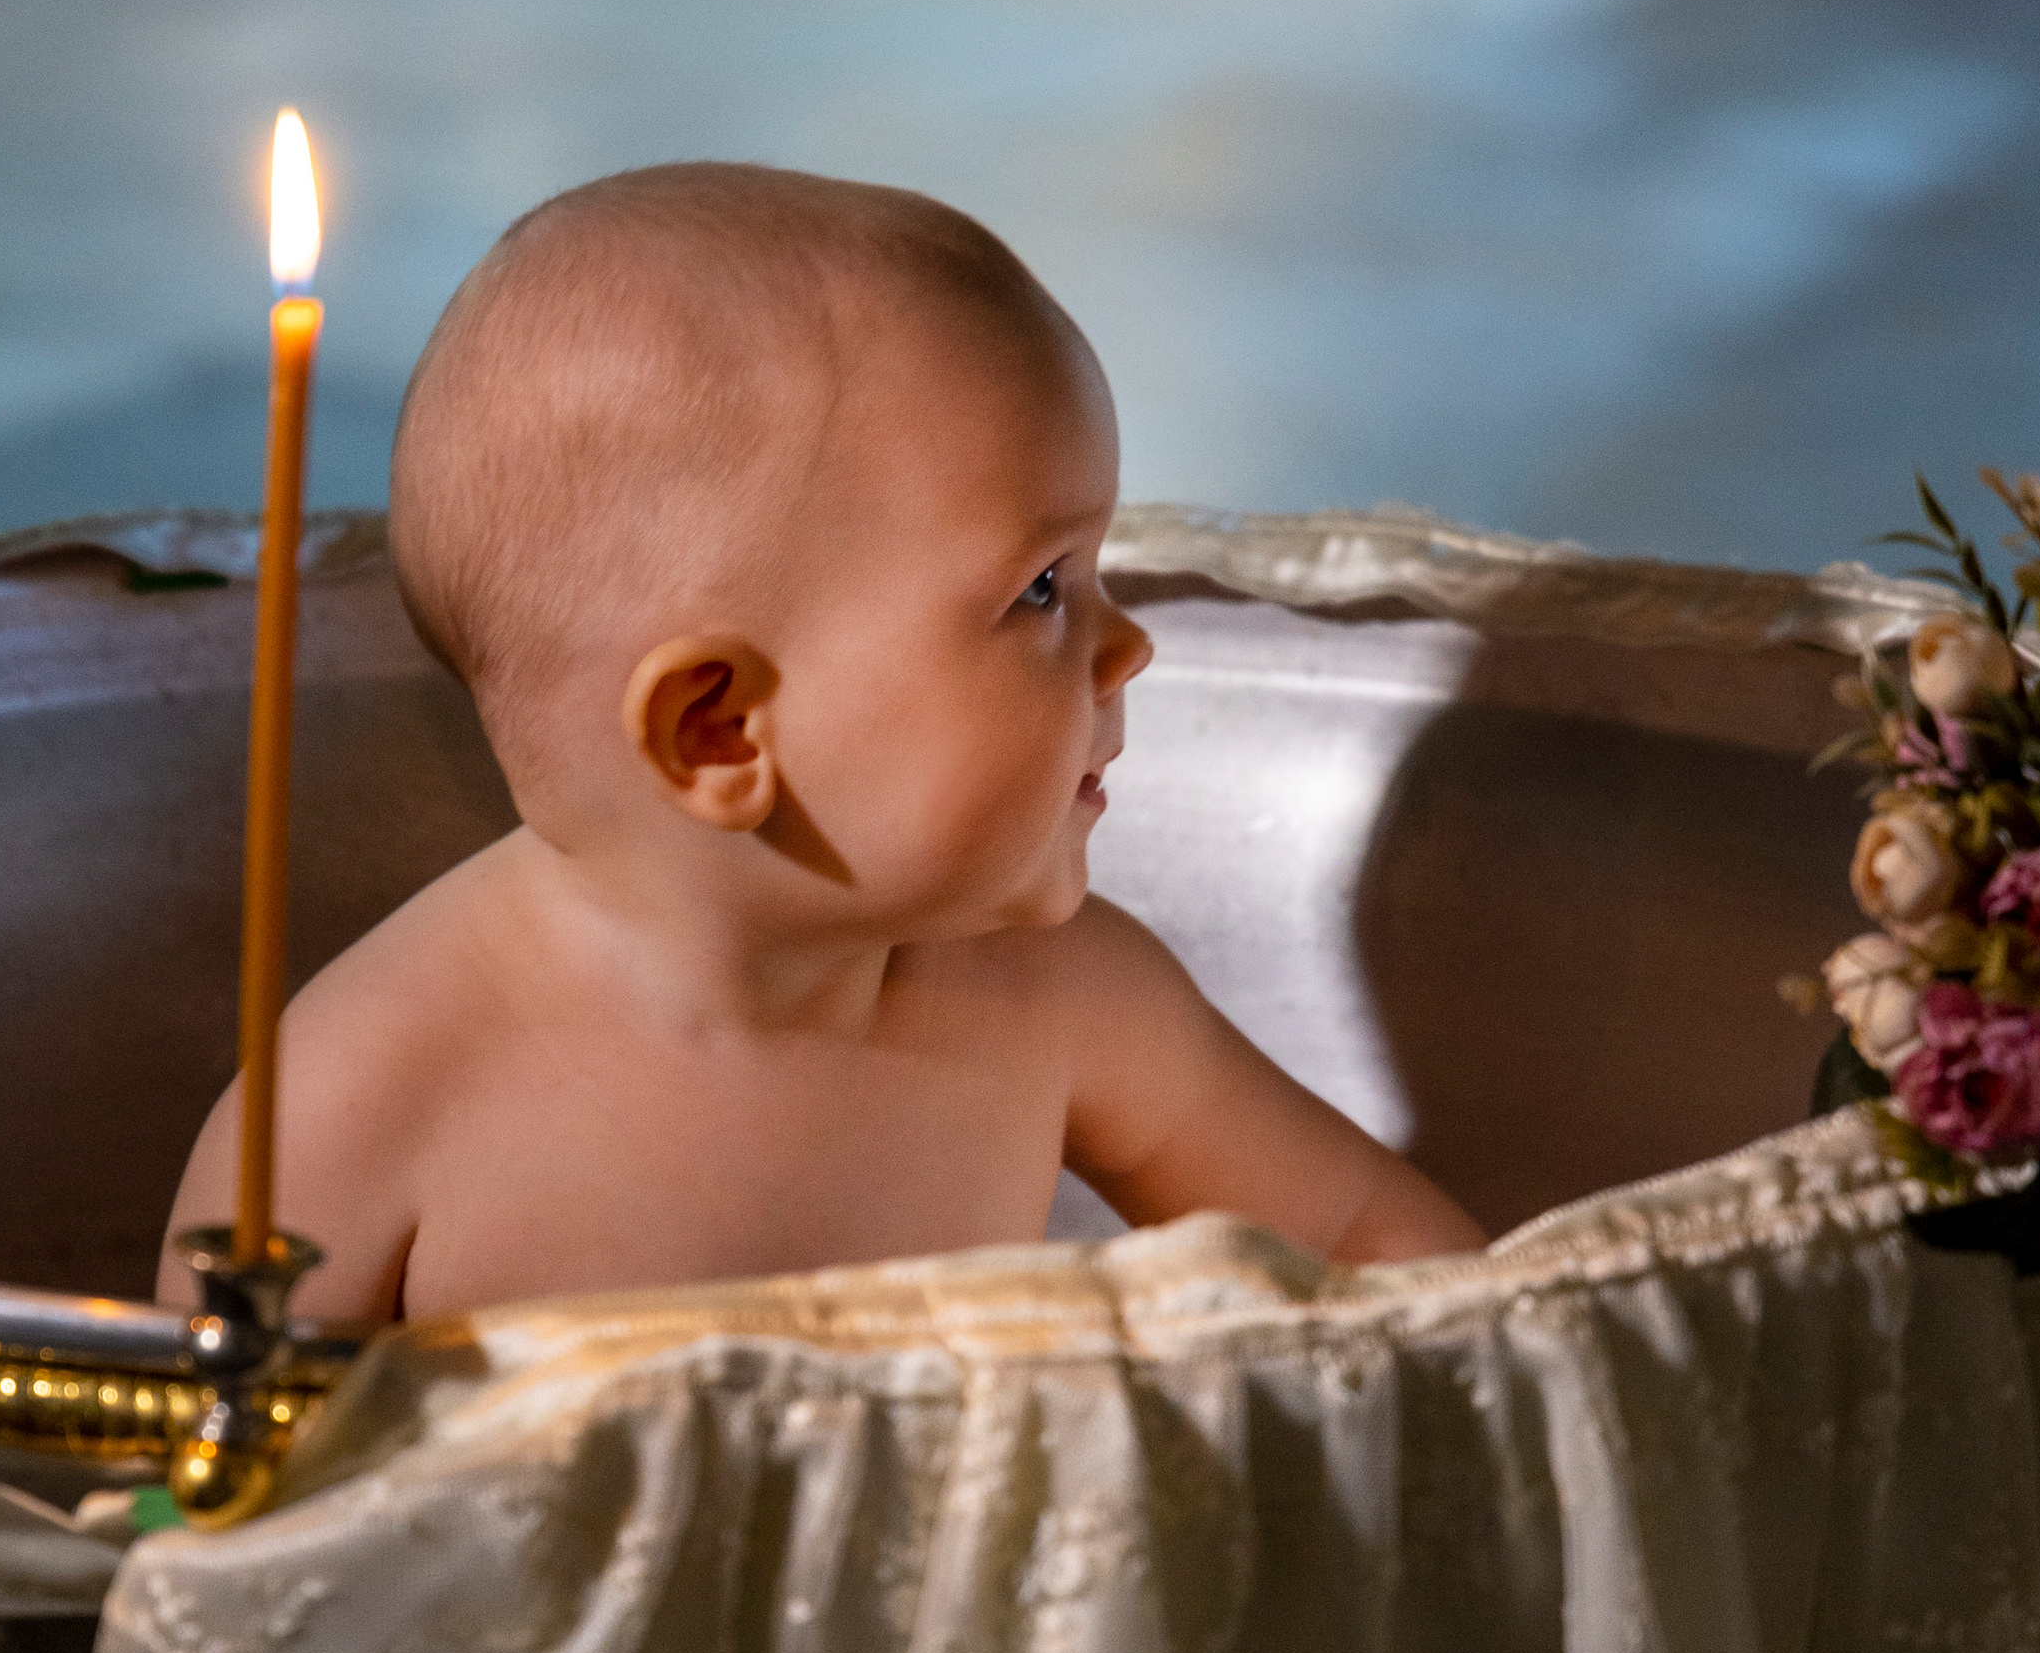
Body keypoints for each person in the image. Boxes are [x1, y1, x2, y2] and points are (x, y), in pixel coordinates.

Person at [163, 164, 1480, 1326]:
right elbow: (182, 1508)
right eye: (1039, 589)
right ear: (720, 731)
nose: (1127, 646)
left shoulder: (1062, 998)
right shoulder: (367, 1100)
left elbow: (1366, 1242)